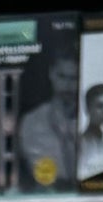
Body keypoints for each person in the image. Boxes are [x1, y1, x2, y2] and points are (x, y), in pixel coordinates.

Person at [17, 49, 79, 186]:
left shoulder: (90, 121)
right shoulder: (31, 122)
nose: (68, 86)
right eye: (62, 77)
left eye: (74, 78)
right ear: (52, 74)